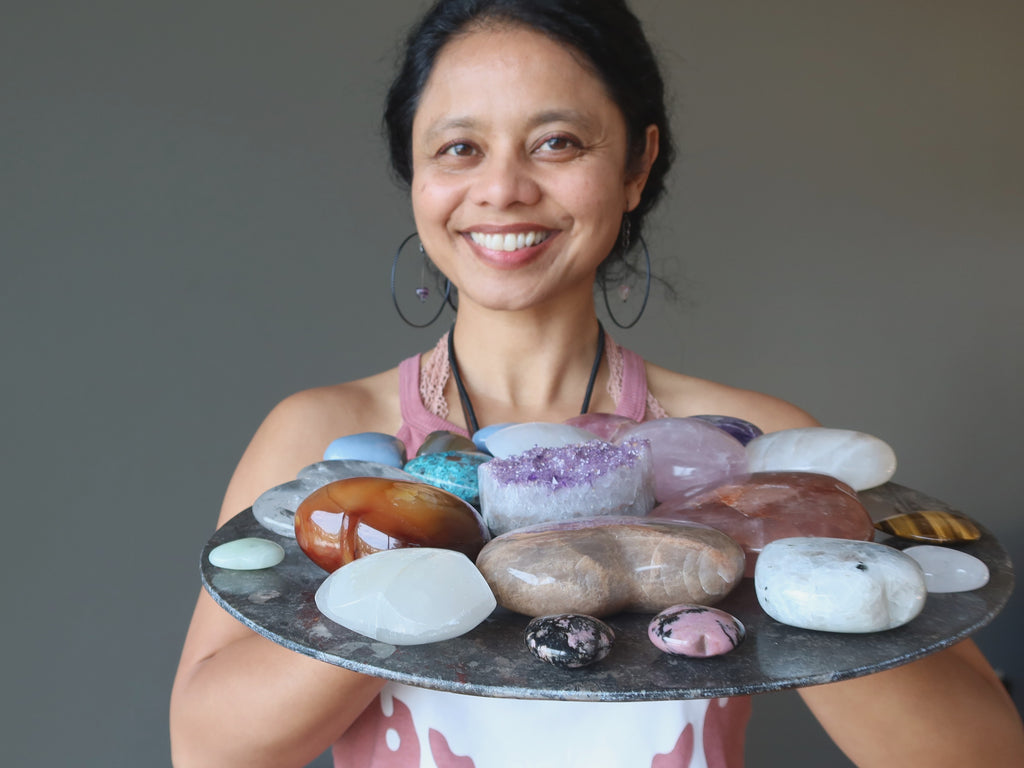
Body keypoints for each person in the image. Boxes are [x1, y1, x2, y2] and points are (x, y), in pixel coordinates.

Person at [169, 1, 1024, 766]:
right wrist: (412, 554)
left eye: (558, 142)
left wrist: (760, 556)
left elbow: (979, 754)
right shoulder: (325, 440)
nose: (502, 189)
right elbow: (209, 752)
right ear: (416, 174)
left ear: (637, 165)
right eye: (460, 148)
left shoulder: (747, 449)